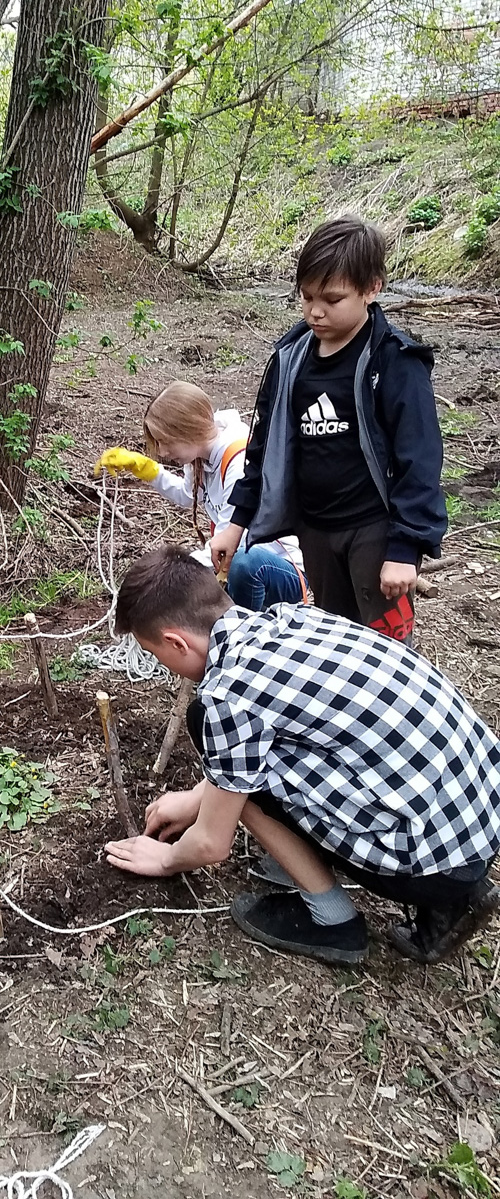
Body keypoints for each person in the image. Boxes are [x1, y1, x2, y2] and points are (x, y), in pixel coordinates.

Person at [104, 546, 500, 966]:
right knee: (253, 766)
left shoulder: (224, 697)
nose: (159, 663)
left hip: (428, 864)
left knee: (241, 774)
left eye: (153, 654)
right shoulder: (290, 618)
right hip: (477, 817)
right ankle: (457, 897)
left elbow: (210, 844)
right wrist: (194, 799)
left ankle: (333, 921)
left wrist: (166, 858)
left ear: (175, 642)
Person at [210, 215, 447, 644]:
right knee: (337, 640)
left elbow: (421, 460)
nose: (316, 311)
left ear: (372, 288)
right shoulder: (291, 358)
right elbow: (264, 448)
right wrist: (235, 522)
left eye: (332, 299)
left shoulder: (394, 361)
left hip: (374, 529)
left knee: (386, 648)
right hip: (315, 530)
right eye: (307, 297)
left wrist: (405, 548)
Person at [95, 381, 307, 610]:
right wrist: (148, 470)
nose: (163, 452)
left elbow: (231, 541)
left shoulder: (237, 461)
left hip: (280, 568)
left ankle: (244, 634)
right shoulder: (199, 455)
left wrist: (168, 576)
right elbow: (188, 495)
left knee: (241, 564)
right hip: (237, 565)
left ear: (188, 429)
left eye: (165, 442)